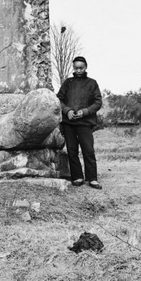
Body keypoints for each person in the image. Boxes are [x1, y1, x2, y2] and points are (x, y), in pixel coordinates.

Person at [57, 56, 103, 189]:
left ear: (86, 67)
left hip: (85, 123)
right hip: (69, 123)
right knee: (72, 151)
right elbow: (59, 100)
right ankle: (77, 177)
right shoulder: (67, 83)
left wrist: (86, 111)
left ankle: (92, 178)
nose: (78, 70)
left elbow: (98, 102)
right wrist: (67, 110)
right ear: (73, 67)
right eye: (76, 68)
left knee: (88, 150)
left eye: (81, 68)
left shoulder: (92, 83)